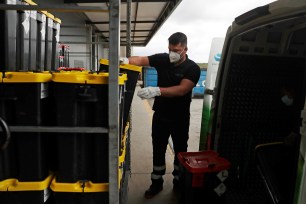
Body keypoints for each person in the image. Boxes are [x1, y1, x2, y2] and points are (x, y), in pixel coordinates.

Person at [121, 32, 201, 199]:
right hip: (161, 115)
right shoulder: (163, 59)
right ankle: (156, 183)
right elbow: (141, 60)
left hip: (180, 117)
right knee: (158, 149)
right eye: (170, 49)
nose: (173, 53)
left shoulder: (192, 68)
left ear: (185, 49)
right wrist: (126, 60)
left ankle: (179, 182)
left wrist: (156, 90)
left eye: (177, 50)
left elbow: (182, 90)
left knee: (180, 151)